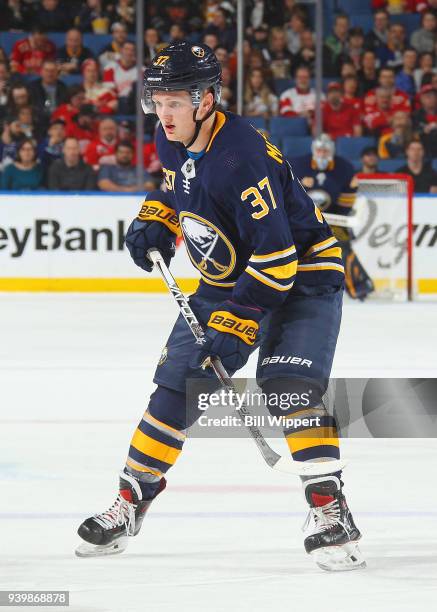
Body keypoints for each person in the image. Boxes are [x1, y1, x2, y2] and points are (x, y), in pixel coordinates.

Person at [76, 41, 365, 572]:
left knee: (287, 386)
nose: (163, 114)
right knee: (176, 387)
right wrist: (157, 218)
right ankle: (131, 501)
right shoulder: (175, 137)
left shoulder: (242, 157)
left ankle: (330, 509)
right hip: (229, 274)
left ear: (206, 101)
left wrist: (239, 318)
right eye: (157, 100)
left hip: (301, 275)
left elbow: (278, 258)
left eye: (174, 102)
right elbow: (175, 185)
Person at [291, 134, 374, 301]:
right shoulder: (297, 165)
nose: (322, 153)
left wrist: (347, 194)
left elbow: (345, 206)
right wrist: (299, 185)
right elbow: (288, 197)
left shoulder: (344, 168)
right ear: (314, 150)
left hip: (334, 221)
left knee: (342, 246)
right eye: (319, 150)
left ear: (332, 151)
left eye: (325, 150)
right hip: (301, 220)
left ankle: (359, 286)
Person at [412, 83, 437, 157]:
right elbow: (411, 133)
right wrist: (423, 131)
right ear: (421, 99)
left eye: (434, 96)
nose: (431, 99)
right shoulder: (415, 115)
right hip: (423, 151)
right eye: (428, 96)